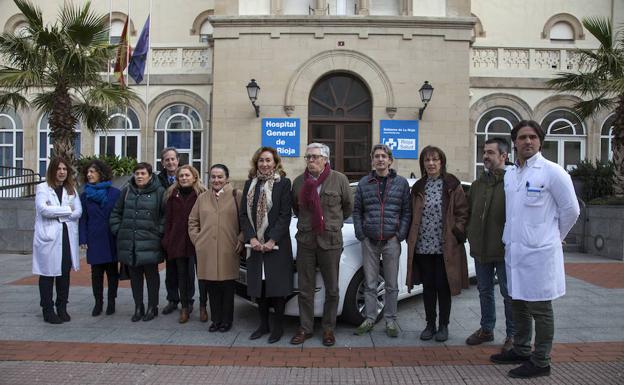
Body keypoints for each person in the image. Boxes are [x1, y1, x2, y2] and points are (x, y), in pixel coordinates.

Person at [490, 120, 580, 379]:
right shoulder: (510, 174)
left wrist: (554, 236)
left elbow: (571, 210)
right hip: (515, 251)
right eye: (522, 137)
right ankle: (520, 349)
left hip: (540, 252)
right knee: (517, 302)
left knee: (540, 309)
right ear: (514, 142)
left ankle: (541, 361)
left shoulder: (553, 172)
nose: (527, 141)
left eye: (532, 137)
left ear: (540, 141)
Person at [290, 143, 353, 347]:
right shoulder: (299, 182)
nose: (311, 161)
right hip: (306, 241)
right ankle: (306, 328)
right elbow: (296, 209)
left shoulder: (339, 179)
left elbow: (347, 208)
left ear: (326, 159)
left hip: (331, 241)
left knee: (332, 288)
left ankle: (328, 328)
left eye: (315, 157)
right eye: (308, 157)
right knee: (305, 288)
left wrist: (331, 223)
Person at [406, 146, 469, 342]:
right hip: (423, 245)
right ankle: (430, 324)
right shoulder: (418, 187)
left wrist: (456, 231)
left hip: (445, 246)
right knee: (428, 287)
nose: (431, 163)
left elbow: (462, 212)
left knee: (443, 286)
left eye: (435, 159)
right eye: (427, 160)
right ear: (422, 163)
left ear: (441, 162)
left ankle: (443, 325)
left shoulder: (451, 184)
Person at [352, 144, 411, 338]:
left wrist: (399, 235)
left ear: (390, 160)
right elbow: (357, 211)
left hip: (391, 240)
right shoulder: (364, 183)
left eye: (383, 156)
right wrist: (361, 234)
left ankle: (391, 320)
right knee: (370, 283)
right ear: (372, 160)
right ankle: (369, 319)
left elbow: (406, 212)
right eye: (376, 156)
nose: (380, 159)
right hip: (369, 239)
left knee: (392, 284)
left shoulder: (401, 183)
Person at [240, 147, 293, 344]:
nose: (264, 164)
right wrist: (251, 238)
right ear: (256, 163)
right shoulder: (249, 185)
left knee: (277, 289)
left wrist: (271, 240)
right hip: (254, 247)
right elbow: (243, 215)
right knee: (259, 287)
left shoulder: (284, 184)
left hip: (276, 246)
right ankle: (263, 325)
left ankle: (277, 327)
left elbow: (284, 215)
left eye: (268, 160)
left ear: (275, 162)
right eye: (261, 160)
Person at [465, 138, 514, 351]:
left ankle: (513, 335)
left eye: (491, 153)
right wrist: (470, 234)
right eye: (484, 152)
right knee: (484, 290)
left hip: (505, 250)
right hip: (481, 249)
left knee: (509, 293)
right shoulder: (477, 184)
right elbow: (469, 213)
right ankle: (487, 329)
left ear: (504, 156)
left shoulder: (514, 182)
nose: (485, 156)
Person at [189, 164, 242, 332]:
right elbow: (192, 221)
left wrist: (241, 238)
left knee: (227, 287)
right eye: (213, 177)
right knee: (211, 287)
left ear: (226, 178)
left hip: (229, 248)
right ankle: (216, 320)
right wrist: (198, 240)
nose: (216, 180)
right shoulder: (202, 198)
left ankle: (227, 321)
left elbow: (246, 221)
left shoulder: (236, 196)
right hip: (208, 250)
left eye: (220, 177)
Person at [110, 162, 165, 322]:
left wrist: (159, 232)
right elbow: (116, 213)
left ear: (150, 175)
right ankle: (138, 306)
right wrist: (119, 230)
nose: (139, 176)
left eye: (143, 173)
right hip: (130, 243)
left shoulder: (159, 192)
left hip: (150, 242)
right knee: (135, 277)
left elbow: (165, 216)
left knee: (152, 276)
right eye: (137, 173)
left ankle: (152, 307)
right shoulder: (127, 191)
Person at [33, 157, 82, 324]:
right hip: (49, 237)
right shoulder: (42, 188)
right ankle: (48, 310)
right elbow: (43, 209)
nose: (62, 172)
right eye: (59, 169)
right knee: (47, 274)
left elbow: (79, 212)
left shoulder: (71, 189)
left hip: (66, 237)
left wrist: (60, 212)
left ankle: (62, 307)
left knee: (64, 274)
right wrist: (68, 210)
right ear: (52, 171)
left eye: (65, 169)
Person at [162, 165, 206, 323]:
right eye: (181, 176)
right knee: (182, 277)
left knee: (201, 276)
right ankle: (185, 307)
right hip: (178, 242)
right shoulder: (172, 195)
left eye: (187, 175)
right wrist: (167, 240)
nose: (184, 178)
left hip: (198, 242)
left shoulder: (202, 194)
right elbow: (168, 221)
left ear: (194, 177)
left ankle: (203, 306)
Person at [79, 159, 121, 317]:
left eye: (92, 172)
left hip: (111, 237)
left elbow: (119, 215)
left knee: (112, 273)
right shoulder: (85, 195)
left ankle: (111, 301)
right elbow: (83, 219)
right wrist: (83, 239)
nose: (89, 175)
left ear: (101, 174)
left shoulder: (115, 193)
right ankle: (98, 302)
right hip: (94, 238)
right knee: (96, 273)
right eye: (87, 172)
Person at [157, 147, 196, 316]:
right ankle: (173, 299)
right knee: (171, 270)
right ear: (163, 163)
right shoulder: (157, 181)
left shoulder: (190, 181)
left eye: (173, 159)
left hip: (187, 235)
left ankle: (188, 300)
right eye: (167, 159)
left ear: (178, 160)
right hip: (169, 231)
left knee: (187, 271)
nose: (170, 162)